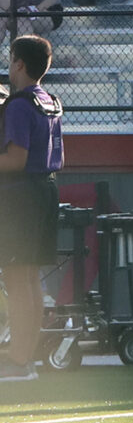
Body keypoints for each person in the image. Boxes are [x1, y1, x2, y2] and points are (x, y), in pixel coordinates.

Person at [0, 36, 64, 382]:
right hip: (45, 190)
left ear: (19, 63)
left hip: (20, 198)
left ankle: (18, 360)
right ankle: (26, 356)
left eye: (11, 59)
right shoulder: (49, 100)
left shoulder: (20, 104)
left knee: (17, 278)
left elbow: (15, 159)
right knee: (30, 279)